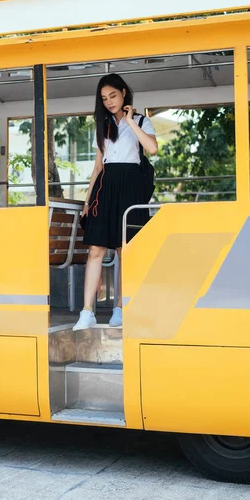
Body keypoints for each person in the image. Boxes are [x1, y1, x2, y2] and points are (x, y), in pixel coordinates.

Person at [73, 73, 158, 330]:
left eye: (113, 95)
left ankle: (120, 308)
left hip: (131, 186)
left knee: (125, 251)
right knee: (96, 249)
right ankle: (87, 311)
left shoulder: (142, 121)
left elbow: (152, 149)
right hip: (106, 187)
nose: (109, 102)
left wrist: (130, 121)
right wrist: (87, 202)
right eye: (104, 98)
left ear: (123, 93)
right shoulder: (103, 125)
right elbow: (98, 166)